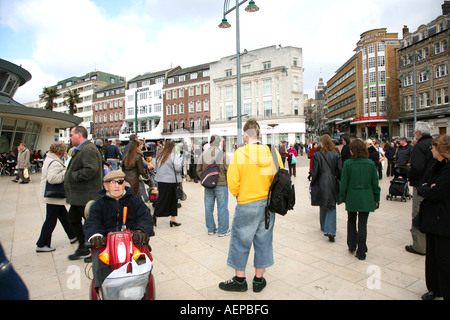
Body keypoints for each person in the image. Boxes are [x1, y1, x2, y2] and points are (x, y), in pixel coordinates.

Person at [219, 118, 283, 293]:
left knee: (240, 241)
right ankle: (258, 280)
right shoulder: (272, 152)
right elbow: (278, 178)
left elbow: (233, 181)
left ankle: (240, 281)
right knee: (264, 241)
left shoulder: (240, 154)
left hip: (247, 203)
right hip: (268, 205)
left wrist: (241, 193)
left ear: (246, 135)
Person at [83, 170, 154, 289]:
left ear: (124, 183)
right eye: (112, 182)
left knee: (143, 262)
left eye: (120, 182)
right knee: (99, 261)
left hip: (132, 241)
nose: (116, 185)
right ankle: (103, 290)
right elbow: (92, 222)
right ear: (105, 186)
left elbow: (145, 218)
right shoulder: (99, 205)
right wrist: (95, 235)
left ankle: (141, 290)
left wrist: (141, 231)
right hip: (105, 244)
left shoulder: (135, 201)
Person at [416, 135, 450, 300]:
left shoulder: (448, 170)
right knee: (432, 256)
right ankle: (434, 289)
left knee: (443, 258)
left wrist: (429, 188)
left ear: (441, 150)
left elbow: (437, 192)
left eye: (434, 147)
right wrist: (428, 187)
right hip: (431, 218)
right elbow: (424, 184)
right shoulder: (436, 166)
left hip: (443, 219)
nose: (431, 150)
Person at [65, 126, 103, 260]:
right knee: (73, 219)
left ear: (79, 135)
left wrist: (74, 175)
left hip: (87, 195)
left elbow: (91, 169)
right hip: (79, 195)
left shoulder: (88, 149)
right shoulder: (83, 149)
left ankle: (94, 249)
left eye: (71, 135)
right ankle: (83, 247)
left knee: (91, 223)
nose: (70, 137)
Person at [339, 139, 381, 260]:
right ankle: (361, 250)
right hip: (366, 196)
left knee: (351, 220)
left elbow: (344, 183)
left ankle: (352, 244)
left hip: (352, 196)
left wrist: (342, 197)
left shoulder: (348, 163)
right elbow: (375, 183)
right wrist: (376, 198)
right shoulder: (370, 163)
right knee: (363, 224)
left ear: (353, 151)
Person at [36, 142, 76, 252]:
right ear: (61, 152)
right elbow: (52, 179)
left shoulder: (50, 158)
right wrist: (65, 172)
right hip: (53, 196)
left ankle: (73, 235)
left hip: (53, 196)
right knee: (51, 220)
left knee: (64, 216)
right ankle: (42, 243)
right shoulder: (55, 162)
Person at [406, 121, 436, 256]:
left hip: (421, 184)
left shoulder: (420, 146)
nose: (414, 134)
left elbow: (417, 167)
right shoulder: (434, 144)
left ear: (419, 133)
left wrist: (409, 173)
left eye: (414, 132)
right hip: (434, 185)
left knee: (418, 212)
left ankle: (419, 245)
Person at [196, 135, 230, 237]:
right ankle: (222, 231)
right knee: (222, 208)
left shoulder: (203, 154)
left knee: (208, 207)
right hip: (221, 184)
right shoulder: (223, 154)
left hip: (207, 186)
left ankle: (210, 229)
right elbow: (229, 170)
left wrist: (205, 179)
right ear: (219, 143)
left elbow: (198, 169)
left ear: (210, 142)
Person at [310, 134, 342, 242]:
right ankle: (330, 230)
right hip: (332, 181)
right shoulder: (336, 154)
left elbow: (315, 172)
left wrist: (313, 182)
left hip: (321, 181)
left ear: (322, 142)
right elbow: (339, 170)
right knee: (331, 206)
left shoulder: (317, 155)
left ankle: (324, 227)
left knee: (323, 204)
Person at [153, 140, 182, 227]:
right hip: (171, 181)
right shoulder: (173, 155)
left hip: (161, 180)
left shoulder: (160, 156)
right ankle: (155, 217)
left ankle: (171, 219)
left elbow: (156, 169)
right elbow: (178, 168)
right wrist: (181, 162)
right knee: (172, 200)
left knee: (164, 199)